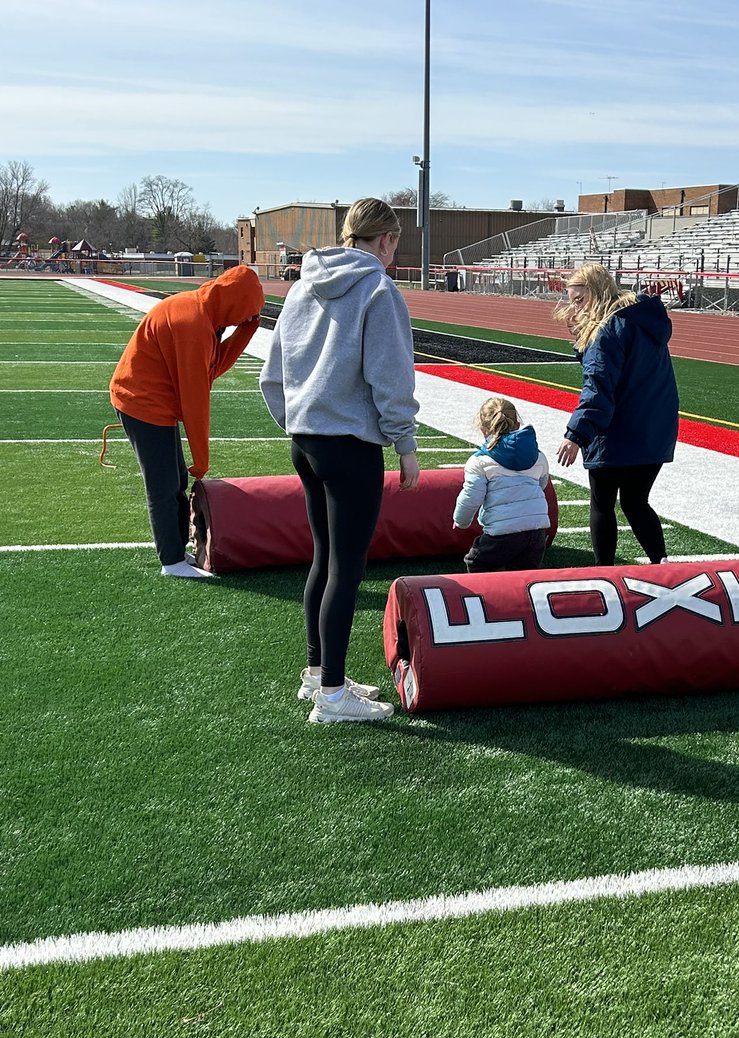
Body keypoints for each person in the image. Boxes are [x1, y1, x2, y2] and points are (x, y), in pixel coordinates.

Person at [259, 197, 420, 725]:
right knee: (345, 570)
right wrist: (405, 444)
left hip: (305, 439)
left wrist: (298, 419)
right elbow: (390, 376)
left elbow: (273, 371)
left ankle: (318, 673)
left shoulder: (303, 284)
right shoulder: (378, 289)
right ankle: (331, 695)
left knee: (323, 560)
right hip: (349, 446)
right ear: (387, 240)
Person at [109, 265, 264, 578]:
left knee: (174, 479)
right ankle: (172, 560)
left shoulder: (203, 310)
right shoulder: (193, 326)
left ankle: (177, 551)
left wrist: (246, 330)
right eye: (245, 314)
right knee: (164, 484)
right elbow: (196, 399)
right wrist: (201, 460)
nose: (243, 321)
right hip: (142, 402)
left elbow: (212, 367)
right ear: (234, 303)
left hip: (147, 398)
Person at [554, 263, 679, 566]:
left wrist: (575, 435)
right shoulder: (643, 321)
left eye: (579, 300)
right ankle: (662, 565)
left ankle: (604, 573)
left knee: (602, 503)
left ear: (596, 293)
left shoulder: (606, 329)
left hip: (616, 431)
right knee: (636, 503)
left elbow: (598, 389)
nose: (575, 308)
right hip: (654, 430)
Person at [453, 396, 550, 572]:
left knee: (477, 563)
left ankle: (486, 600)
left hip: (502, 532)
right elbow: (542, 484)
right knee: (525, 576)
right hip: (537, 531)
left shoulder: (480, 461)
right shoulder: (538, 456)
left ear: (483, 429)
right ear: (517, 425)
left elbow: (471, 496)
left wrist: (461, 521)